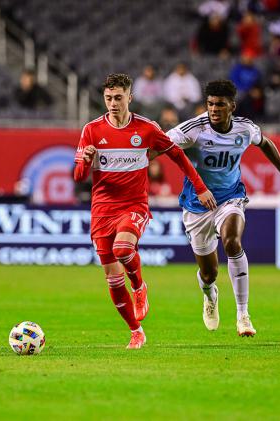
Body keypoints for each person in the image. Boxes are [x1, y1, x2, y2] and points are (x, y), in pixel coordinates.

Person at [73, 74, 215, 349]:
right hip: (102, 209)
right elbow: (79, 176)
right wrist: (86, 160)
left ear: (130, 97)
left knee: (123, 249)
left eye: (118, 97)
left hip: (133, 204)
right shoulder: (91, 130)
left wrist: (200, 187)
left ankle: (139, 286)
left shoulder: (147, 129)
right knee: (113, 279)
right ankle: (135, 330)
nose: (113, 103)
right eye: (108, 98)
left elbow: (178, 156)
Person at [165, 79, 280, 336]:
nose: (214, 109)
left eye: (220, 104)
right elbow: (162, 144)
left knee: (232, 242)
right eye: (210, 104)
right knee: (209, 273)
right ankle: (210, 295)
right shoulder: (194, 129)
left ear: (232, 106)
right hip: (197, 205)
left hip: (230, 197)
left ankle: (243, 315)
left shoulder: (244, 129)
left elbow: (266, 144)